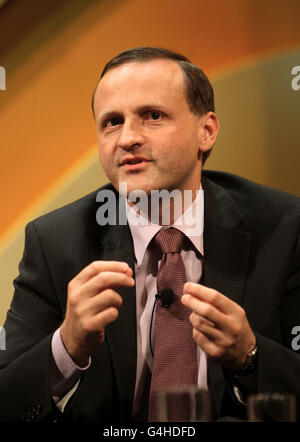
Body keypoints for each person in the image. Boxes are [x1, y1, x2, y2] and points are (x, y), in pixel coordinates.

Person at [0, 46, 300, 423]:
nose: (127, 138)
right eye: (111, 122)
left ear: (206, 131)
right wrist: (66, 347)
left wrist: (251, 356)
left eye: (152, 116)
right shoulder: (57, 242)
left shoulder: (283, 227)